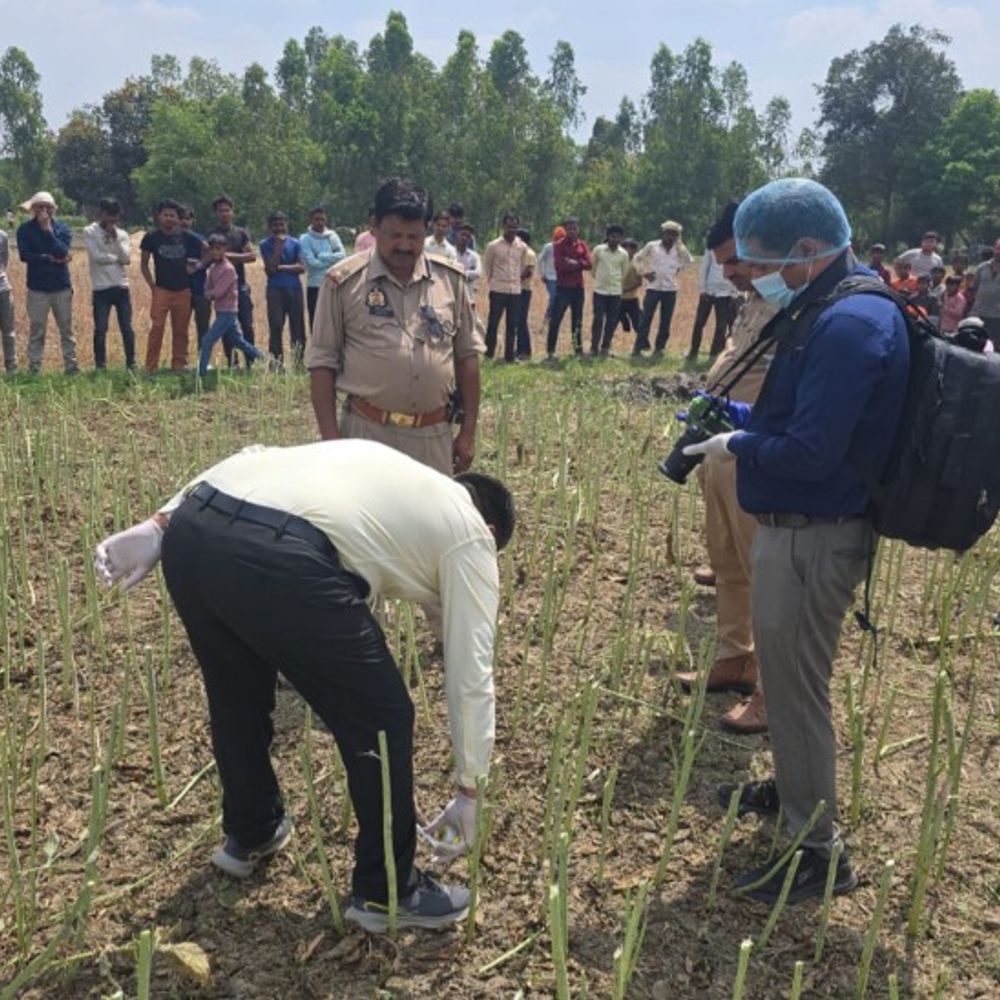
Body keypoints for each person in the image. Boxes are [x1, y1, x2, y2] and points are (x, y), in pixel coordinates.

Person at [93, 438, 516, 934]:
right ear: (490, 532)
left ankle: (253, 830)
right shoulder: (471, 535)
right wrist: (470, 790)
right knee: (382, 716)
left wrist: (160, 522)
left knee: (236, 693)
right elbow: (471, 673)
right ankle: (388, 891)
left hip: (193, 531)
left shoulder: (384, 468)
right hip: (281, 554)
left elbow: (252, 456)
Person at [683, 178, 909, 903]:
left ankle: (816, 852)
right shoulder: (827, 306)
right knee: (783, 681)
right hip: (799, 526)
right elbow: (803, 418)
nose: (755, 274)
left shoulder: (851, 324)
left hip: (817, 534)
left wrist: (740, 444)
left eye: (763, 260)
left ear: (808, 249)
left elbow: (812, 451)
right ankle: (791, 791)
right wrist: (738, 416)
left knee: (797, 691)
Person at [674, 201, 778, 734]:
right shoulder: (752, 301)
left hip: (755, 454)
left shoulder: (796, 307)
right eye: (723, 264)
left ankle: (770, 690)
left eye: (736, 260)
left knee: (765, 571)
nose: (730, 272)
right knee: (727, 558)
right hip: (719, 452)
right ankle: (736, 656)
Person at [307, 176, 483, 477]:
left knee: (431, 510)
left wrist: (467, 434)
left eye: (414, 237)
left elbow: (467, 358)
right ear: (374, 226)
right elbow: (322, 363)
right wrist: (331, 443)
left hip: (432, 438)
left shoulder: (450, 280)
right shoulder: (343, 283)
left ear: (427, 230)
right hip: (366, 436)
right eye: (395, 235)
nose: (404, 245)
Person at [16, 190, 79, 374]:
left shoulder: (63, 229)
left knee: (66, 328)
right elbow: (25, 255)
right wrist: (48, 258)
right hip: (37, 287)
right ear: (33, 209)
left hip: (61, 286)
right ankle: (34, 367)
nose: (44, 210)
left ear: (53, 209)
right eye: (39, 207)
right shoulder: (24, 230)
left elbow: (62, 251)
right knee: (37, 329)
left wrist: (48, 231)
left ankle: (71, 366)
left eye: (48, 207)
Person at [140, 198, 205, 373]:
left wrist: (199, 265)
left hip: (183, 290)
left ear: (177, 218)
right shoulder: (151, 237)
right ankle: (151, 367)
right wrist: (152, 286)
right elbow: (144, 264)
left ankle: (179, 365)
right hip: (161, 290)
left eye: (172, 215)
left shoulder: (186, 236)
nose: (169, 218)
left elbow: (207, 248)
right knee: (157, 328)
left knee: (181, 329)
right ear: (159, 216)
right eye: (165, 215)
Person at [198, 235, 266, 375]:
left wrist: (208, 294)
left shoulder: (228, 269)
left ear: (225, 249)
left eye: (219, 249)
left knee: (207, 340)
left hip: (228, 311)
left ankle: (201, 372)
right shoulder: (213, 268)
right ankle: (269, 361)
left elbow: (218, 292)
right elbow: (207, 286)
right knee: (239, 341)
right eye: (213, 249)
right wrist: (209, 292)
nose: (216, 252)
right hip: (221, 310)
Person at [83, 197, 136, 370]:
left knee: (126, 328)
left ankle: (131, 363)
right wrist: (115, 258)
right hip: (101, 287)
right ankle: (100, 365)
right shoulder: (90, 231)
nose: (111, 219)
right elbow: (96, 257)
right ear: (101, 213)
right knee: (100, 329)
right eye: (108, 214)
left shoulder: (122, 235)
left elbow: (126, 259)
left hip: (121, 286)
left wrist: (115, 240)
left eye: (115, 216)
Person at [632, 221, 693, 357]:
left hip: (670, 289)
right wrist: (644, 273)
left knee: (666, 320)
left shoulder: (679, 248)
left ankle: (660, 348)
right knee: (646, 318)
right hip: (653, 288)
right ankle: (638, 348)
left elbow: (689, 260)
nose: (671, 237)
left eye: (674, 234)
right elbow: (637, 258)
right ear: (663, 233)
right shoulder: (652, 245)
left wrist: (679, 268)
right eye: (669, 233)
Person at [210, 194, 258, 365]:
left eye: (227, 210)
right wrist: (236, 257)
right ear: (216, 213)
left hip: (240, 287)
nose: (224, 213)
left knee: (247, 325)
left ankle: (250, 362)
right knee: (226, 327)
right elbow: (210, 257)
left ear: (232, 212)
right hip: (221, 289)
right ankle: (232, 363)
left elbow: (251, 256)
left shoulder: (241, 233)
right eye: (220, 211)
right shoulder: (212, 235)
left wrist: (225, 255)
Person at [259, 211, 306, 369]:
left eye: (281, 224)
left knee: (297, 327)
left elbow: (301, 267)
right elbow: (271, 270)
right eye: (275, 225)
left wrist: (281, 267)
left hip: (294, 289)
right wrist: (278, 248)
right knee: (276, 326)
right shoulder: (265, 244)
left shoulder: (296, 243)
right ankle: (276, 365)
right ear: (269, 227)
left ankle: (298, 363)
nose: (279, 228)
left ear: (286, 224)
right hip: (275, 291)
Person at [482, 213, 528, 362]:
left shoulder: (522, 247)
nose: (512, 229)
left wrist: (516, 280)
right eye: (509, 226)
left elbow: (522, 266)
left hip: (515, 290)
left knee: (512, 325)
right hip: (498, 290)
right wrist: (494, 282)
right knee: (493, 323)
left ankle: (509, 356)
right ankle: (489, 354)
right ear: (503, 226)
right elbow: (487, 267)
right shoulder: (493, 246)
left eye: (515, 227)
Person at [546, 217, 592, 358]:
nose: (572, 231)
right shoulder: (558, 245)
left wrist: (574, 263)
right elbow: (560, 265)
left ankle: (578, 350)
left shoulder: (582, 245)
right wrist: (579, 264)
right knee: (556, 319)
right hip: (563, 287)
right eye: (570, 228)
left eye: (575, 228)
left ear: (578, 229)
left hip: (578, 287)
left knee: (577, 320)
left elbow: (589, 264)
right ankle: (551, 351)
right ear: (565, 229)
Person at [688, 241, 741, 360]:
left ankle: (714, 354)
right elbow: (704, 268)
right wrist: (702, 290)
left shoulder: (736, 249)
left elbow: (736, 270)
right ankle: (693, 352)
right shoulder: (711, 248)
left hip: (725, 293)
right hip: (708, 291)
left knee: (721, 326)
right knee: (699, 323)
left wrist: (734, 293)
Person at [300, 205, 346, 328]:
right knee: (316, 321)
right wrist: (332, 260)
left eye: (322, 219)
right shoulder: (305, 239)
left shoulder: (332, 235)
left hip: (334, 283)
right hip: (315, 285)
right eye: (317, 219)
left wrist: (321, 256)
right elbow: (312, 264)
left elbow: (342, 255)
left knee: (335, 321)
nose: (320, 222)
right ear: (311, 220)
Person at [589, 224, 629, 356]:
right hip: (600, 291)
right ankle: (594, 348)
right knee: (598, 320)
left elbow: (624, 272)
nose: (615, 239)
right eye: (613, 236)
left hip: (615, 293)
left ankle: (606, 347)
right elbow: (592, 269)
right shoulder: (599, 250)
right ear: (608, 237)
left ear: (621, 238)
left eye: (618, 237)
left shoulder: (623, 254)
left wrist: (616, 284)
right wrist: (600, 280)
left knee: (611, 321)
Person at [180, 206, 212, 353]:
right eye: (181, 218)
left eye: (187, 219)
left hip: (200, 288)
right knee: (181, 326)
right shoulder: (173, 239)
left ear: (193, 221)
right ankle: (182, 358)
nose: (184, 222)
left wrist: (198, 265)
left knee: (203, 325)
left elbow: (210, 252)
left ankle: (203, 359)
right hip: (181, 288)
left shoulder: (198, 237)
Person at [968, 238, 1000, 346]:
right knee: (974, 344)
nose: (999, 252)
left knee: (994, 346)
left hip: (997, 316)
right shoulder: (982, 267)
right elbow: (974, 288)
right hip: (978, 313)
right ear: (994, 248)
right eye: (998, 248)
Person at [614, 237, 643, 339]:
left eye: (631, 248)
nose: (628, 250)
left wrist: (625, 289)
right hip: (617, 298)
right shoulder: (617, 261)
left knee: (638, 324)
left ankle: (643, 343)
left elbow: (639, 282)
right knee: (612, 323)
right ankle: (605, 345)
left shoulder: (637, 264)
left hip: (631, 299)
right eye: (625, 247)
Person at [515, 228, 535, 359]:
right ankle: (520, 349)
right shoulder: (520, 252)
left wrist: (512, 280)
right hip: (518, 288)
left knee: (521, 320)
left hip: (524, 289)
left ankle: (525, 351)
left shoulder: (528, 253)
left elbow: (528, 272)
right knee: (518, 320)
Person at [536, 226, 564, 321]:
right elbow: (540, 260)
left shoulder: (564, 247)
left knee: (560, 299)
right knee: (553, 296)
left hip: (561, 277)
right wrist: (542, 274)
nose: (560, 240)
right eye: (558, 238)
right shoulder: (548, 247)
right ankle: (548, 316)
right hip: (550, 277)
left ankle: (555, 317)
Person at [0, 225, 15, 372]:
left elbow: (5, 260)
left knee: (8, 330)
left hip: (3, 288)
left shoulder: (2, 236)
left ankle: (12, 367)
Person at [454, 223, 481, 305]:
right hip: (452, 294)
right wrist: (468, 274)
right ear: (457, 235)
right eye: (462, 234)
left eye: (468, 236)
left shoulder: (474, 256)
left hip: (469, 295)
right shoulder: (450, 253)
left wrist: (462, 274)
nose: (464, 238)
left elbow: (478, 272)